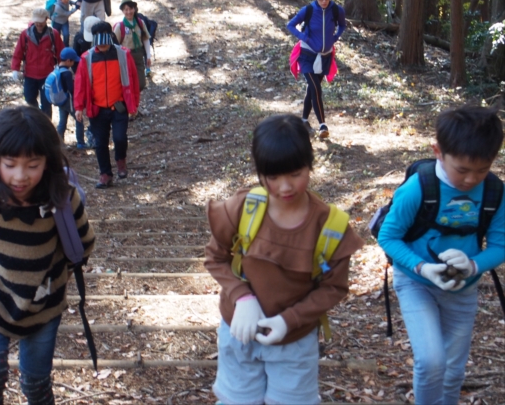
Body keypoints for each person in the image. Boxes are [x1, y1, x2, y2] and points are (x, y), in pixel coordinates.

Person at [204, 114, 364, 405]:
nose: (285, 187)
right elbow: (215, 257)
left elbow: (334, 287)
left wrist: (289, 320)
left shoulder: (330, 226)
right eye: (273, 177)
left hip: (295, 341)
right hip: (240, 331)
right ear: (260, 172)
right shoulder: (244, 208)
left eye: (295, 174)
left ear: (310, 165)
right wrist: (242, 298)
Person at [0, 106, 95, 405]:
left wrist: (51, 272)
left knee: (37, 385)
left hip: (43, 302)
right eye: (9, 164)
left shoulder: (62, 196)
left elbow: (84, 242)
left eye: (33, 165)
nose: (20, 176)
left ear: (48, 162)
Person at [378, 107, 505, 405]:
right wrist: (422, 268)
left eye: (482, 169)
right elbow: (388, 237)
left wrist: (473, 265)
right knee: (432, 361)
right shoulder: (418, 188)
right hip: (415, 283)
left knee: (453, 370)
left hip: (463, 290)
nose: (471, 179)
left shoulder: (495, 193)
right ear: (438, 151)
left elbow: (500, 246)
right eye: (461, 169)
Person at [74, 22, 140, 188]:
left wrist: (134, 104)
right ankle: (105, 174)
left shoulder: (123, 55)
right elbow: (80, 84)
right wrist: (78, 107)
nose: (102, 46)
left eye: (105, 42)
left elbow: (132, 79)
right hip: (97, 108)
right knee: (100, 143)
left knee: (120, 137)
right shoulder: (87, 58)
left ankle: (120, 161)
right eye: (99, 43)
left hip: (119, 106)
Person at [287, 0, 346, 139]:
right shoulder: (308, 10)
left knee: (312, 89)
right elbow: (290, 25)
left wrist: (335, 38)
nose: (323, 1)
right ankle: (322, 125)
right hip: (306, 56)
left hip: (325, 57)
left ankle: (304, 120)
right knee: (316, 88)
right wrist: (304, 38)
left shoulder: (337, 10)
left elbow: (342, 25)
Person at [11, 8, 64, 119]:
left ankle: (46, 124)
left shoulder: (53, 35)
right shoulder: (25, 35)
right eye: (36, 21)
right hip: (30, 74)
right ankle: (36, 117)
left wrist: (63, 68)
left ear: (46, 19)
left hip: (47, 75)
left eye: (41, 21)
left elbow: (61, 52)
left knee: (46, 103)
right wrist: (15, 69)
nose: (39, 23)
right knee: (29, 98)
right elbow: (18, 52)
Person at [52, 47, 90, 149]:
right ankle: (81, 143)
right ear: (68, 61)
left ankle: (59, 143)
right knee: (79, 120)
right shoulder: (67, 73)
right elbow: (72, 89)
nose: (74, 63)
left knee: (62, 122)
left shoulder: (57, 69)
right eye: (73, 61)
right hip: (69, 101)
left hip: (61, 101)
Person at [113, 0, 151, 91]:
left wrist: (148, 56)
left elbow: (145, 39)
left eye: (130, 9)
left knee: (141, 84)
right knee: (127, 83)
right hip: (125, 56)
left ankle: (135, 99)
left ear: (134, 9)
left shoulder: (140, 23)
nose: (129, 12)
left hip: (138, 54)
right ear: (123, 11)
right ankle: (131, 103)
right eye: (126, 9)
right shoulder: (119, 27)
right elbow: (115, 44)